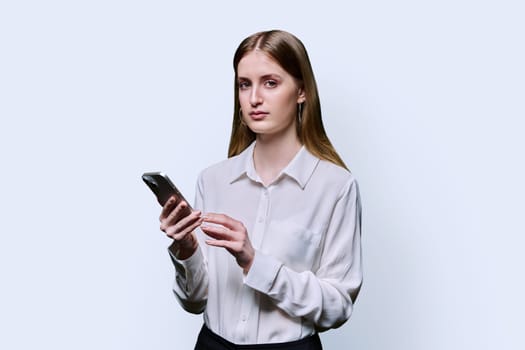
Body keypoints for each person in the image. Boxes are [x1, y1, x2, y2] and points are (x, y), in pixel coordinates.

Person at [158, 29, 362, 350]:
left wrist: (254, 261)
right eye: (244, 84)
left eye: (270, 83)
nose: (254, 98)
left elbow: (337, 307)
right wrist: (185, 248)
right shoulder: (212, 180)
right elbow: (195, 302)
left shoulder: (336, 186)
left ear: (301, 91)